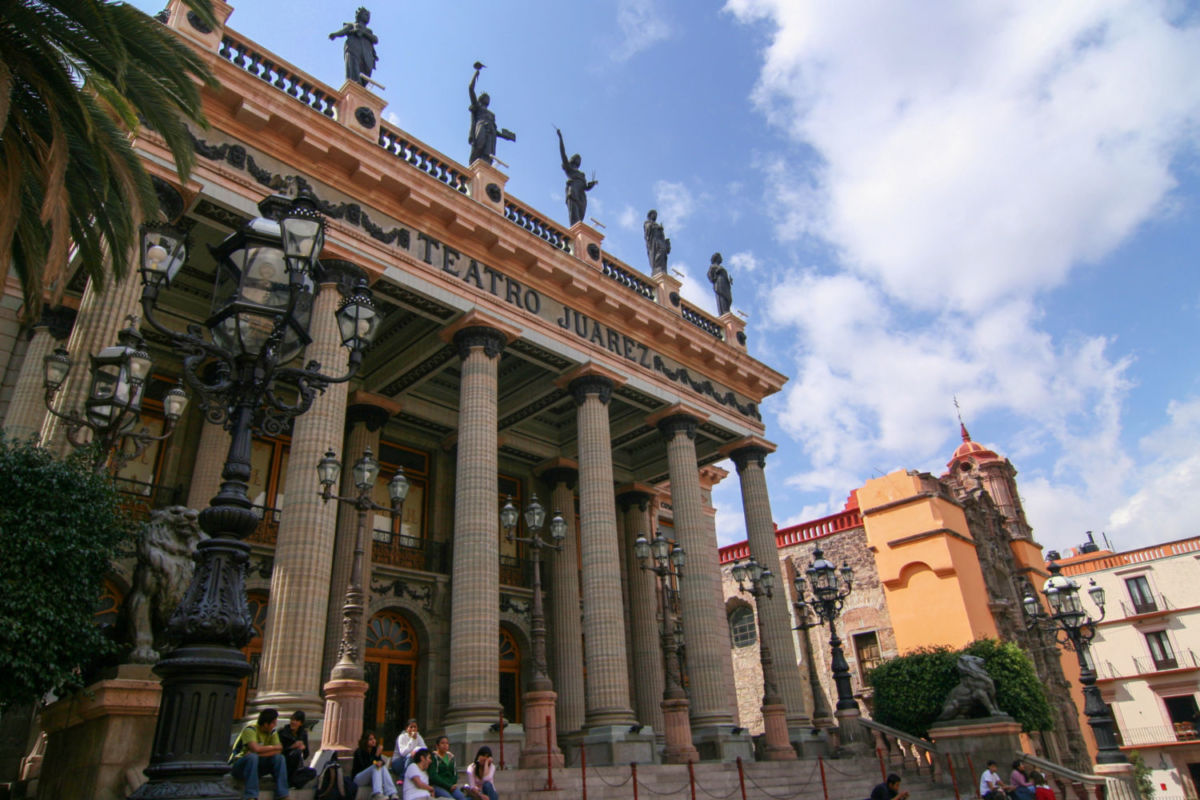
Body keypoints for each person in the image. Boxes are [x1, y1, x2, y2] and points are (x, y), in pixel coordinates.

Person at [229, 708, 290, 800]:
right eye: (273, 723)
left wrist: (260, 752)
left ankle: (283, 795)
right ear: (265, 724)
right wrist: (273, 748)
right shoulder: (250, 730)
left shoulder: (272, 732)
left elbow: (279, 750)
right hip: (240, 765)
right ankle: (251, 796)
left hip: (257, 765)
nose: (275, 725)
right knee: (252, 757)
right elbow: (255, 748)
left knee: (280, 758)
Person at [467, 64, 515, 166]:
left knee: (488, 155)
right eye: (486, 97)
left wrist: (505, 135)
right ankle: (473, 164)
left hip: (491, 133)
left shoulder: (492, 115)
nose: (488, 99)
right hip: (481, 127)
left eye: (489, 98)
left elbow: (496, 130)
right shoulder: (477, 106)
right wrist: (476, 73)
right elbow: (470, 88)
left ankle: (484, 168)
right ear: (481, 99)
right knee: (479, 146)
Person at [556, 128, 597, 227]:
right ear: (573, 159)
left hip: (581, 196)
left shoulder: (582, 174)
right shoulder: (569, 168)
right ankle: (574, 233)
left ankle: (577, 232)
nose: (579, 159)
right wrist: (560, 138)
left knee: (580, 218)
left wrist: (592, 184)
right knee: (574, 217)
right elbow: (563, 154)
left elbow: (586, 187)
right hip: (573, 192)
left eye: (580, 159)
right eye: (577, 158)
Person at [329, 7, 379, 87]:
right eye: (365, 15)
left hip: (366, 53)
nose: (367, 17)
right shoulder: (352, 26)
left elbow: (375, 40)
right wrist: (335, 34)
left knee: (366, 71)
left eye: (368, 16)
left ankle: (361, 86)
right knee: (354, 68)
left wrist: (363, 33)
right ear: (359, 15)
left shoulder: (369, 31)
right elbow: (343, 31)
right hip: (354, 49)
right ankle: (355, 84)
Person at [353, 731, 397, 800]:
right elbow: (365, 766)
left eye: (374, 739)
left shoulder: (374, 750)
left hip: (371, 778)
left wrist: (380, 761)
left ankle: (392, 793)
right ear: (365, 741)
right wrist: (376, 755)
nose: (373, 741)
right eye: (370, 739)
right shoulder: (359, 751)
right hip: (359, 778)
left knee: (381, 766)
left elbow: (379, 762)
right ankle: (377, 794)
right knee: (376, 766)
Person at [429, 736, 467, 800]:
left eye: (447, 743)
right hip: (438, 786)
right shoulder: (433, 757)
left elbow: (455, 774)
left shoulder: (451, 757)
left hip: (451, 786)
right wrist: (448, 786)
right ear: (437, 746)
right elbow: (434, 776)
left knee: (462, 797)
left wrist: (452, 784)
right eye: (442, 743)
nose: (445, 745)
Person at [279, 710, 310, 787]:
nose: (293, 722)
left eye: (297, 720)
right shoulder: (282, 732)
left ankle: (293, 782)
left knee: (312, 772)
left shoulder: (303, 734)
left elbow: (306, 755)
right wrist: (292, 746)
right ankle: (292, 782)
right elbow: (279, 751)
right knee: (296, 752)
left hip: (298, 766)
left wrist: (303, 748)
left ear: (301, 723)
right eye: (292, 720)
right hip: (286, 762)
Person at [643, 210, 670, 275]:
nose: (655, 216)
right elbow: (648, 230)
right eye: (654, 214)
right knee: (659, 251)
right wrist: (656, 227)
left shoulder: (657, 225)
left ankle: (661, 267)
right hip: (654, 242)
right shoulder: (647, 223)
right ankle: (657, 267)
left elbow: (662, 235)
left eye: (656, 215)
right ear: (650, 215)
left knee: (663, 252)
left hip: (660, 240)